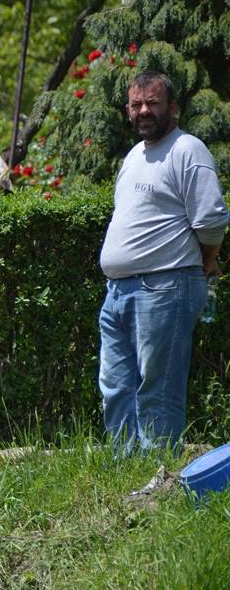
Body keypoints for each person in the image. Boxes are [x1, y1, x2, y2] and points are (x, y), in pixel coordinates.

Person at [98, 71, 228, 454]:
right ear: (127, 109)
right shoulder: (134, 155)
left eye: (152, 103)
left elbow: (211, 221)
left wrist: (203, 266)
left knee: (158, 387)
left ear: (173, 107)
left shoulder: (188, 150)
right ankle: (124, 469)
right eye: (136, 104)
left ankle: (159, 474)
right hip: (118, 292)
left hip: (165, 287)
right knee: (116, 386)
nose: (144, 111)